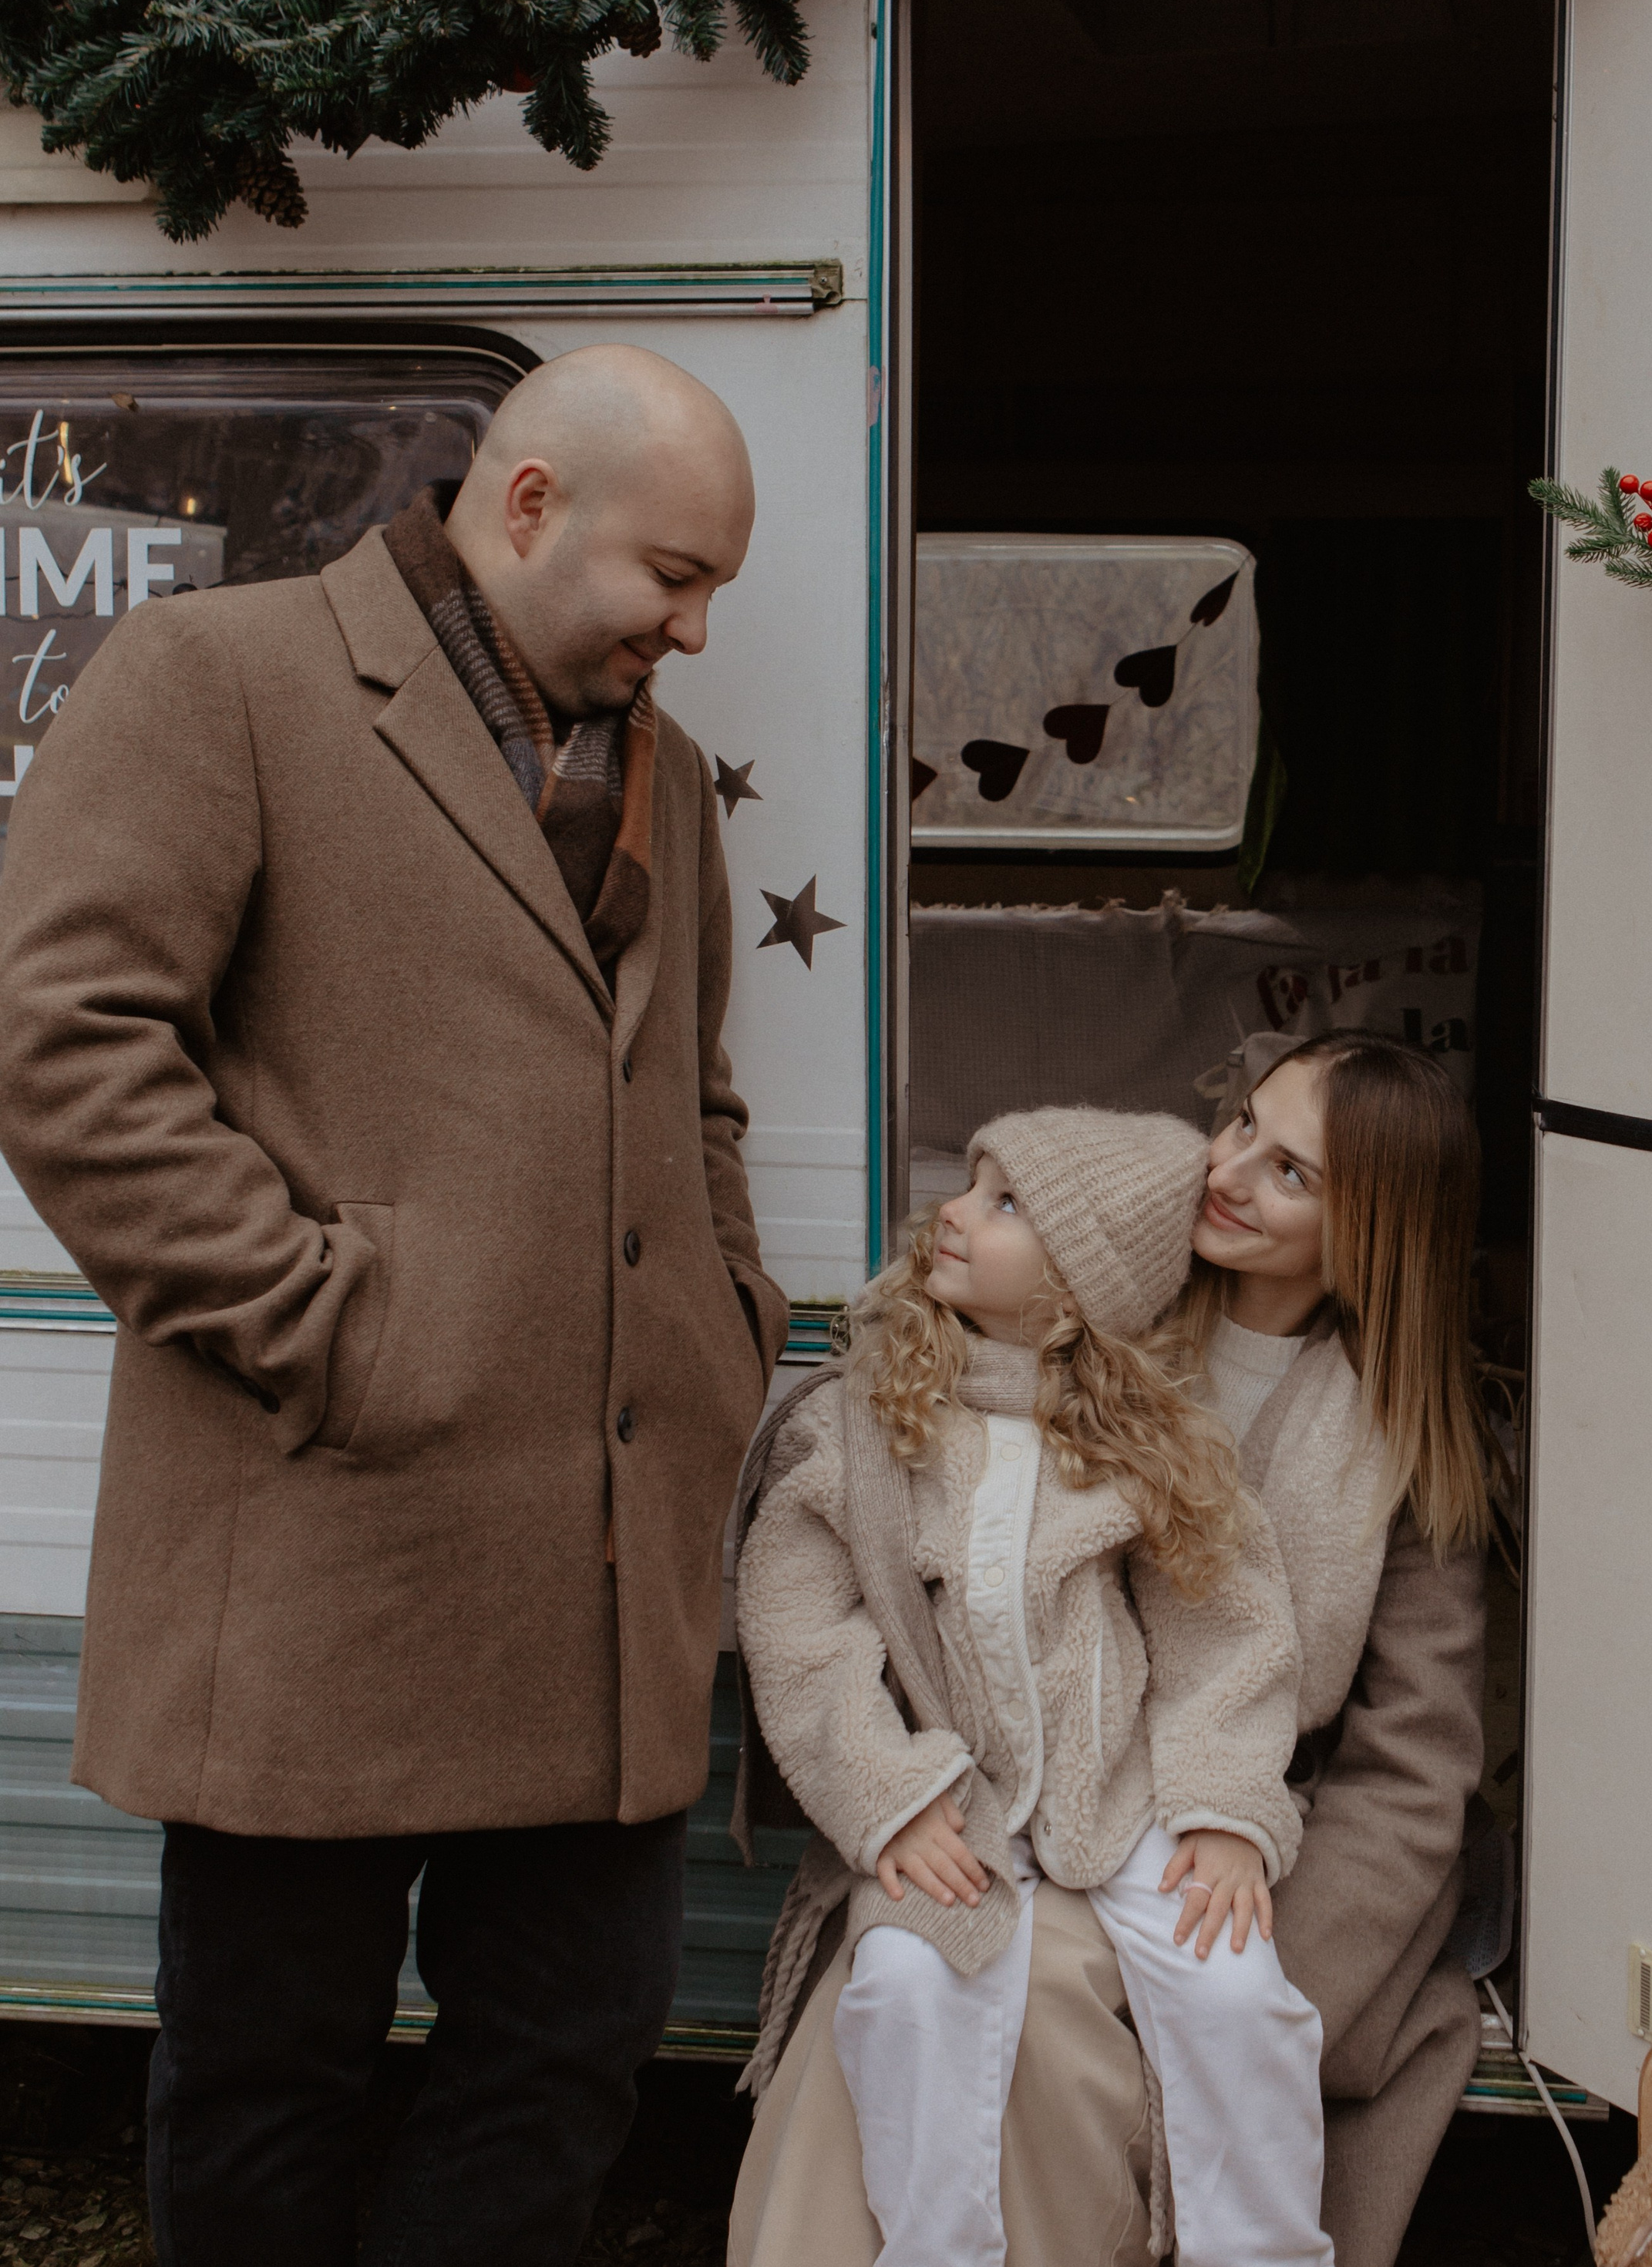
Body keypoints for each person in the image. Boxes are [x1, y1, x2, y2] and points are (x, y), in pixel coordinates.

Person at [0, 345, 789, 2267]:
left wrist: (719, 1317)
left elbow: (687, 1085)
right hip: (316, 1550)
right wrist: (322, 1319)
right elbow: (64, 1046)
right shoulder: (222, 678)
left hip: (597, 1572)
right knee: (272, 2080)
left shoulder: (665, 778)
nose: (691, 628)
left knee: (569, 2058)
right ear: (530, 507)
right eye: (670, 577)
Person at [728, 1031, 1495, 2267]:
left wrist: (1248, 1897)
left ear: (1371, 1233)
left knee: (1104, 1999)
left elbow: (1414, 1765)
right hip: (993, 1782)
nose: (1230, 1173)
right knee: (921, 1981)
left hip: (1205, 1824)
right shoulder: (1091, 1311)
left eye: (1292, 1173)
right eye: (1243, 1124)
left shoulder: (1400, 1440)